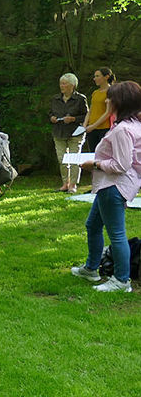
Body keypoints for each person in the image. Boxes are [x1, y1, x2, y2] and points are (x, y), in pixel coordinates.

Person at [71, 81, 141, 293]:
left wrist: (94, 164)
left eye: (110, 98)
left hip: (114, 186)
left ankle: (121, 280)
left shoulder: (123, 130)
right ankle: (91, 268)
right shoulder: (131, 125)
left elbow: (121, 165)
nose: (107, 101)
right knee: (92, 225)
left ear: (120, 102)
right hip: (109, 185)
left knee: (117, 234)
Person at [50, 73, 89, 193]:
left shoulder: (80, 99)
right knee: (62, 159)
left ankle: (73, 185)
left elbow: (86, 116)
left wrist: (73, 119)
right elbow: (50, 113)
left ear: (72, 85)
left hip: (75, 133)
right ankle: (65, 184)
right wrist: (52, 118)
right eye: (61, 83)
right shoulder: (55, 99)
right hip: (59, 132)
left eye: (64, 83)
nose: (61, 86)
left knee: (74, 159)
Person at [83, 67, 116, 152]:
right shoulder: (95, 93)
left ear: (106, 77)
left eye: (97, 76)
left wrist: (94, 125)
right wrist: (85, 125)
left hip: (104, 128)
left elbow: (108, 112)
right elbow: (90, 110)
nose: (95, 79)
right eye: (94, 76)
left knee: (103, 155)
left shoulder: (111, 91)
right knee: (93, 154)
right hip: (91, 129)